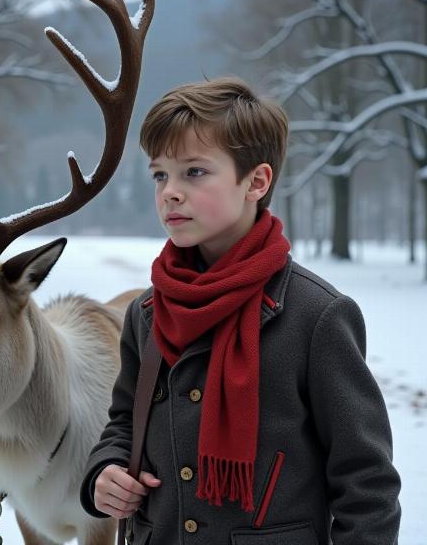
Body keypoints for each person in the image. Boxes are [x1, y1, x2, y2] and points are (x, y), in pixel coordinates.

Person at [79, 77, 401, 545]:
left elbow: (366, 482)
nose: (169, 191)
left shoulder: (317, 317)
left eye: (193, 172)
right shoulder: (147, 313)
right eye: (159, 174)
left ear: (256, 181)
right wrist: (105, 472)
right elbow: (125, 423)